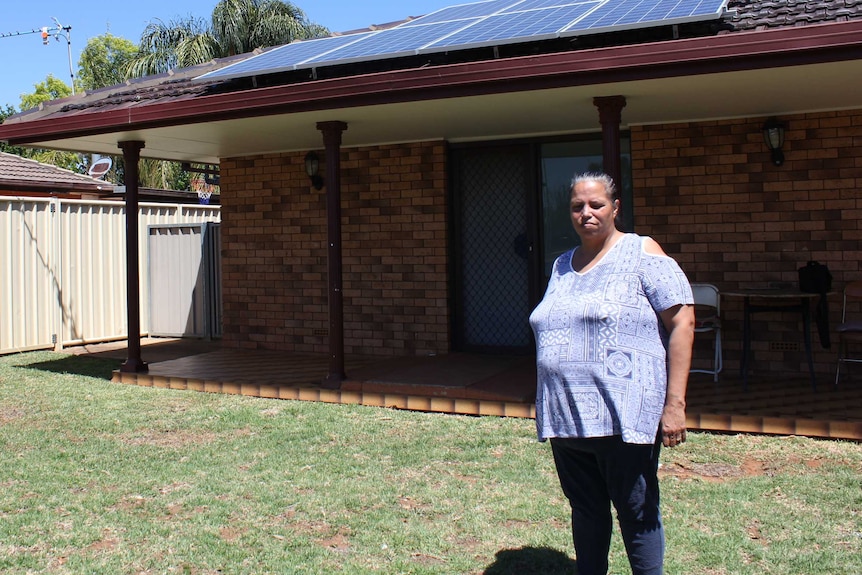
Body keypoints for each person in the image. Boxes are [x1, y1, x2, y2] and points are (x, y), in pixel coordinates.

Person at [529, 172, 695, 575]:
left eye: (596, 204)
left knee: (636, 513)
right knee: (586, 511)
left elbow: (683, 321)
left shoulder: (642, 251)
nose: (586, 213)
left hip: (623, 416)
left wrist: (675, 404)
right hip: (567, 418)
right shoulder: (562, 264)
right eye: (576, 206)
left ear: (615, 208)